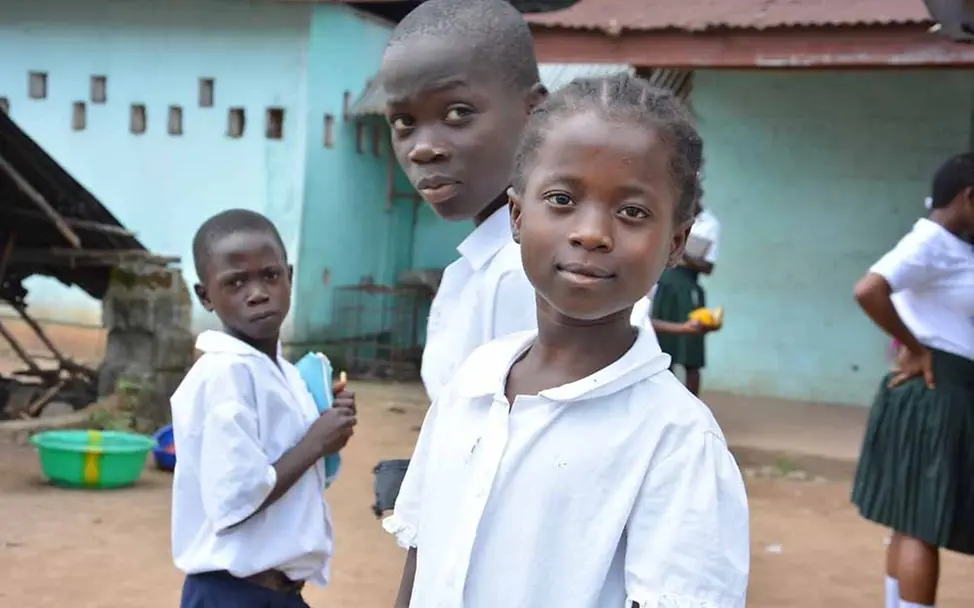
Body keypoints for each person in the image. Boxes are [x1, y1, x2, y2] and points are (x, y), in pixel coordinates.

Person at [385, 73, 750, 608]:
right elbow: (423, 557)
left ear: (676, 243)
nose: (591, 233)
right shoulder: (474, 381)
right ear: (517, 216)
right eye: (561, 199)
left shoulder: (676, 440)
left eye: (632, 212)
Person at [170, 209, 357, 608]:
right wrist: (316, 442)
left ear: (289, 276)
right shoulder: (225, 373)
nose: (256, 293)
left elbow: (296, 473)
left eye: (270, 275)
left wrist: (327, 418)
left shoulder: (281, 372)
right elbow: (237, 498)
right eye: (235, 282)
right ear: (206, 296)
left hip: (276, 593)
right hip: (232, 595)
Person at [851, 153, 974, 608]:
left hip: (936, 391)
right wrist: (916, 347)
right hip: (935, 392)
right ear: (970, 197)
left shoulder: (953, 247)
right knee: (922, 525)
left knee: (909, 520)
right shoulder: (930, 242)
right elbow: (869, 289)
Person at [651, 201, 721, 395]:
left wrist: (684, 251)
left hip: (688, 290)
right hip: (663, 287)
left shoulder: (710, 224)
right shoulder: (670, 215)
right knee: (662, 349)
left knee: (691, 352)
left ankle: (692, 402)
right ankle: (664, 400)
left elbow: (708, 267)